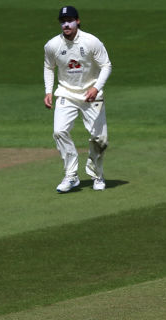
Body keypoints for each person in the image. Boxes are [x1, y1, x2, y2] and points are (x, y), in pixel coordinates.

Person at [43, 5, 112, 193]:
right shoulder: (52, 45)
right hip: (66, 93)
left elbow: (106, 65)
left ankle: (97, 175)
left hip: (91, 94)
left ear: (77, 21)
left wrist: (96, 87)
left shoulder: (91, 41)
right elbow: (49, 67)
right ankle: (71, 176)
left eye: (69, 21)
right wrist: (49, 91)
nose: (66, 25)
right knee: (59, 131)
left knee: (100, 139)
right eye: (63, 22)